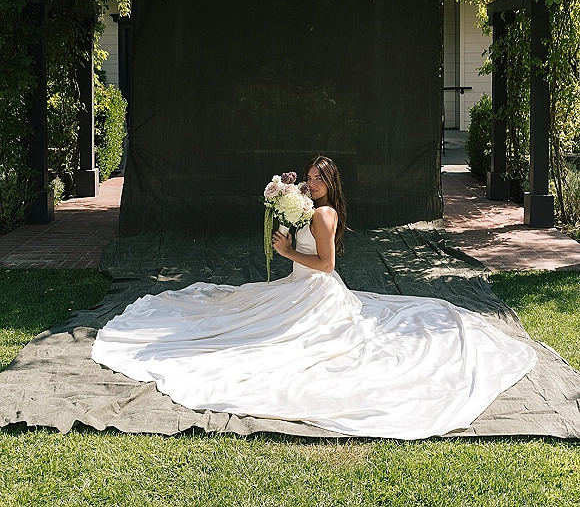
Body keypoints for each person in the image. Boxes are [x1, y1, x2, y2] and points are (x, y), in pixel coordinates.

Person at [91, 155, 536, 439]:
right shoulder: (304, 206)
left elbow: (327, 265)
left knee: (280, 346)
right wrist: (283, 225)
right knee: (238, 312)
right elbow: (302, 244)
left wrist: (286, 250)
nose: (310, 184)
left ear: (330, 184)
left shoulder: (323, 213)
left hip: (316, 290)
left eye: (317, 180)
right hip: (294, 285)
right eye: (307, 178)